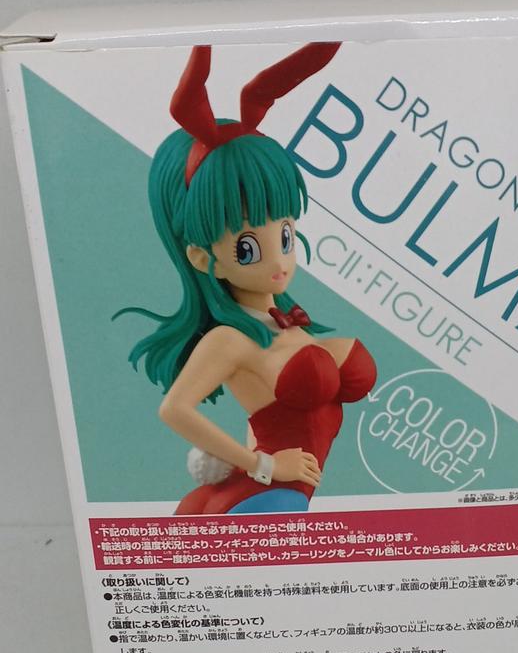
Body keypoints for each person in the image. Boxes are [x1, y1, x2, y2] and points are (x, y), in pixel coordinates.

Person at [119, 42, 376, 515]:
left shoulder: (280, 318)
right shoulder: (229, 340)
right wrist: (263, 465)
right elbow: (174, 409)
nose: (279, 260)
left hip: (280, 496)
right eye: (247, 248)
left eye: (285, 234)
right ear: (203, 257)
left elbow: (270, 413)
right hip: (274, 497)